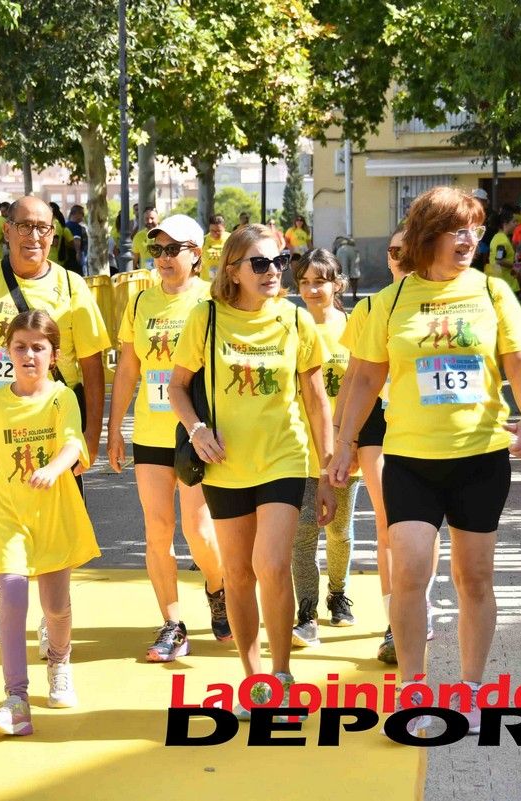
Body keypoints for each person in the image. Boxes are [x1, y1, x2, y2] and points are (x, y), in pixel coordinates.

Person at [326, 186, 521, 736]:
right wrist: (343, 443)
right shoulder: (388, 303)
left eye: (474, 228)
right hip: (411, 459)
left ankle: (470, 689)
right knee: (411, 571)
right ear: (428, 238)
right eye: (457, 230)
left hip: (480, 456)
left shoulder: (493, 293)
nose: (469, 239)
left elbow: (518, 360)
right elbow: (366, 379)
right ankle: (413, 688)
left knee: (474, 578)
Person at [169, 224, 337, 717]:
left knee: (270, 564)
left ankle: (282, 674)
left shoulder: (294, 320)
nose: (272, 273)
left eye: (279, 262)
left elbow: (316, 399)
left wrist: (326, 472)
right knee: (238, 574)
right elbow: (178, 388)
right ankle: (254, 681)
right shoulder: (206, 318)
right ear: (234, 270)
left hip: (284, 458)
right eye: (260, 264)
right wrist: (197, 430)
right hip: (224, 463)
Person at [0, 196, 110, 645]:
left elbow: (91, 364)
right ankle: (1, 586)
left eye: (43, 228)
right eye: (24, 226)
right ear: (5, 230)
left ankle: (53, 612)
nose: (34, 236)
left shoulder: (71, 287)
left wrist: (91, 434)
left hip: (48, 429)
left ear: (54, 234)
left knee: (53, 530)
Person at [107, 214, 229, 662]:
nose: (161, 258)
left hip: (194, 431)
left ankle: (218, 591)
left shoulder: (211, 302)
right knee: (157, 530)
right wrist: (114, 427)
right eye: (155, 250)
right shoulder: (140, 304)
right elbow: (127, 369)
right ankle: (173, 624)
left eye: (171, 249)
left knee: (199, 532)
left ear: (195, 254)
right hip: (150, 432)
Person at [0, 309, 100, 736]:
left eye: (38, 347)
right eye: (20, 347)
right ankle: (16, 698)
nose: (28, 355)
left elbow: (71, 443)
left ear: (55, 354)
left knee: (55, 606)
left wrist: (55, 469)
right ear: (7, 351)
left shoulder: (61, 398)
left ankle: (60, 662)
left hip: (52, 513)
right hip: (8, 512)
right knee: (11, 592)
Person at [335, 226, 439, 664]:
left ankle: (420, 609)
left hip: (428, 419)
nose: (400, 257)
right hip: (378, 418)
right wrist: (342, 437)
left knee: (425, 527)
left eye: (408, 249)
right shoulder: (373, 307)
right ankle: (395, 624)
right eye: (393, 249)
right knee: (388, 522)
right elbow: (356, 375)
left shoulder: (443, 301)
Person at [290, 249, 361, 648]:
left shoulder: (353, 327)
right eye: (304, 282)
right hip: (298, 447)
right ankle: (307, 610)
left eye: (320, 281)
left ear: (338, 284)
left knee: (338, 529)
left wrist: (348, 442)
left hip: (343, 448)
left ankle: (338, 593)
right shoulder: (291, 326)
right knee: (302, 533)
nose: (313, 290)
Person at [486, 209, 519, 295]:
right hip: (506, 285)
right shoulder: (502, 240)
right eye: (513, 221)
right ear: (505, 223)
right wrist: (516, 267)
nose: (516, 224)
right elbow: (499, 260)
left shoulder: (497, 237)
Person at [201, 214, 228, 282]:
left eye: (218, 231)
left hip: (225, 282)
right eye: (212, 231)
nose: (215, 234)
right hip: (207, 283)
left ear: (224, 227)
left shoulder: (231, 240)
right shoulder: (203, 241)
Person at [66, 205, 89, 275]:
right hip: (74, 256)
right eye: (82, 214)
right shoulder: (76, 226)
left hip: (66, 255)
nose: (83, 216)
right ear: (76, 214)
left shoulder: (66, 224)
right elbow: (77, 239)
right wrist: (78, 252)